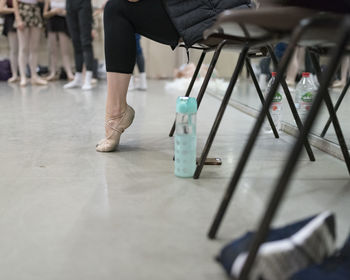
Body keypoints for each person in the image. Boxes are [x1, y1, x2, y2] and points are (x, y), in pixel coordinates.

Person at [96, 0, 252, 152]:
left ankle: (117, 113)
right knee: (116, 7)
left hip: (217, 9)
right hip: (202, 8)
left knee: (116, 9)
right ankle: (116, 112)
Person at [13, 0, 47, 86]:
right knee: (23, 47)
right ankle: (23, 76)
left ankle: (34, 76)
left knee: (34, 48)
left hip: (35, 9)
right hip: (22, 10)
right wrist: (17, 17)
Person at [63, 0, 94, 90]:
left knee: (86, 41)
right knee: (75, 42)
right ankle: (78, 77)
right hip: (70, 4)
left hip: (83, 3)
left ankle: (88, 76)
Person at [43, 0, 74, 81]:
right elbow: (45, 14)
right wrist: (53, 12)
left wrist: (63, 12)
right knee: (53, 50)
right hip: (52, 22)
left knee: (65, 50)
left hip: (63, 23)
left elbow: (72, 12)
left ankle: (69, 72)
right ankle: (53, 72)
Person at [0, 0, 19, 83]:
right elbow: (1, 9)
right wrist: (16, 9)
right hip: (11, 21)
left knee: (24, 49)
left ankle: (25, 73)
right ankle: (14, 74)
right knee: (14, 49)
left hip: (24, 20)